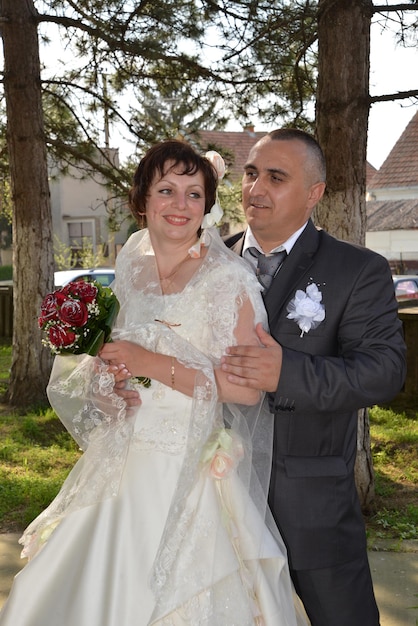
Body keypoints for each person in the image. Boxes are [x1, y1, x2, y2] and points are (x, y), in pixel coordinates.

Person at [0, 139, 309, 626]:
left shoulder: (230, 281)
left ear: (207, 204)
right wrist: (108, 386)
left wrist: (149, 362)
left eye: (193, 193)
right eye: (167, 190)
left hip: (186, 469)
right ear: (142, 199)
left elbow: (248, 390)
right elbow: (114, 358)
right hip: (120, 463)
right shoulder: (130, 264)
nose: (180, 205)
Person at [221, 128, 407, 626]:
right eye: (251, 173)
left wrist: (289, 372)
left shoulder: (357, 270)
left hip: (311, 505)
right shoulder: (208, 261)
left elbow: (385, 371)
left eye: (275, 177)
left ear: (314, 193)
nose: (255, 188)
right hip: (218, 496)